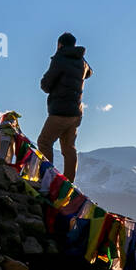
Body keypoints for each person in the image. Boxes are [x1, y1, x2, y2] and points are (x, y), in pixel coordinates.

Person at [37, 32, 93, 181]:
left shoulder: (60, 58)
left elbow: (46, 85)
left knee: (44, 142)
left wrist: (44, 82)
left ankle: (47, 179)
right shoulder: (82, 62)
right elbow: (89, 73)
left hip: (60, 111)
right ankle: (68, 183)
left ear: (60, 44)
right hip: (76, 112)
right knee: (69, 148)